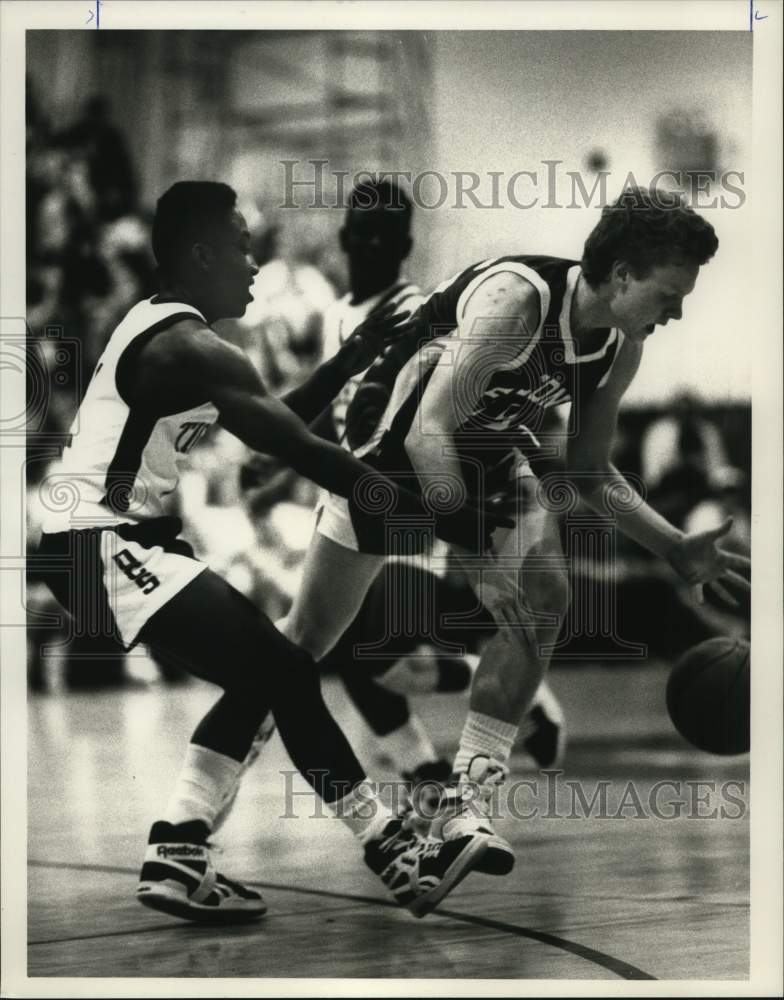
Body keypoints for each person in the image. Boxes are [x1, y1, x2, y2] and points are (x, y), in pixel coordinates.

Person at [34, 181, 511, 923]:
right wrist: (442, 516)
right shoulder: (189, 345)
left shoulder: (171, 332)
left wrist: (348, 359)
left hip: (108, 543)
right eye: (240, 247)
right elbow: (302, 449)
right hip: (99, 541)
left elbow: (273, 417)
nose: (254, 264)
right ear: (201, 255)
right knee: (286, 668)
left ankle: (179, 848)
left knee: (266, 673)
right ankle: (395, 851)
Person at [254, 185, 750, 877]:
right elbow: (427, 429)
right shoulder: (516, 301)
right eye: (670, 294)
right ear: (622, 275)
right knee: (305, 643)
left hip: (483, 450)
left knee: (546, 595)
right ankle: (198, 798)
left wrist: (672, 545)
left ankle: (464, 806)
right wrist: (480, 560)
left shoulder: (619, 346)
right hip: (387, 451)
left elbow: (588, 471)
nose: (677, 312)